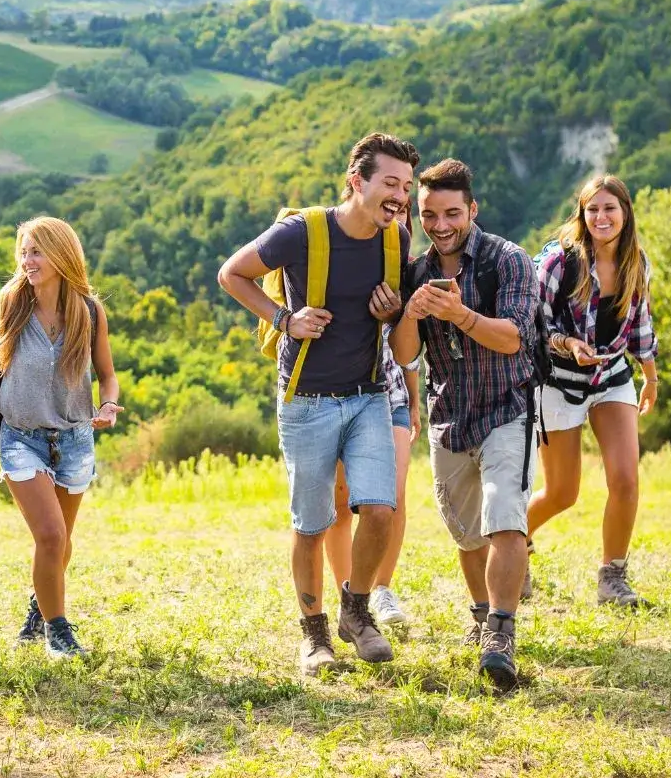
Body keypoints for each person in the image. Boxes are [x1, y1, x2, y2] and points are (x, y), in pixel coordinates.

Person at [219, 132, 416, 675]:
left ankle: (356, 611)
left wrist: (393, 312)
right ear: (357, 180)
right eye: (389, 184)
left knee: (380, 509)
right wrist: (285, 318)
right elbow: (231, 274)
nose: (400, 197)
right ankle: (315, 637)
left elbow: (404, 335)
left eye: (406, 186)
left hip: (368, 396)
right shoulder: (302, 230)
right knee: (312, 524)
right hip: (306, 401)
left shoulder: (397, 241)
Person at [390, 158, 538, 692]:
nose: (440, 224)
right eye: (429, 214)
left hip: (508, 407)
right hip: (450, 415)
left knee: (505, 520)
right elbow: (406, 355)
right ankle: (482, 616)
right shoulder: (415, 271)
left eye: (452, 212)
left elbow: (515, 337)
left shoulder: (509, 261)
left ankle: (501, 633)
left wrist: (460, 315)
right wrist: (411, 312)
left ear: (472, 210)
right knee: (468, 533)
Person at [0, 216, 124, 658]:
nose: (27, 261)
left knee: (61, 543)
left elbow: (108, 377)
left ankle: (39, 606)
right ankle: (59, 630)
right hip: (21, 438)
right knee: (50, 536)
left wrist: (108, 405)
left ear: (61, 254)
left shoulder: (88, 310)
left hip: (74, 438)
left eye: (37, 252)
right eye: (24, 251)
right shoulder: (9, 305)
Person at [526, 176, 658, 607]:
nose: (601, 217)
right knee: (563, 492)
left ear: (625, 212)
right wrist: (568, 345)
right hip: (559, 381)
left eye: (610, 208)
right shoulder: (559, 263)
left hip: (611, 377)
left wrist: (650, 378)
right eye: (593, 209)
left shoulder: (636, 262)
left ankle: (612, 576)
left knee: (625, 479)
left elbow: (640, 327)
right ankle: (513, 544)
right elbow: (532, 325)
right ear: (582, 215)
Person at [325, 206, 421, 628]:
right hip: (339, 393)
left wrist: (415, 400)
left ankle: (379, 589)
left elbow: (411, 347)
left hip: (392, 393)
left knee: (390, 499)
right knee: (341, 504)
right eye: (390, 207)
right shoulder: (337, 253)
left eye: (404, 210)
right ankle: (350, 592)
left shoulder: (409, 269)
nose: (396, 215)